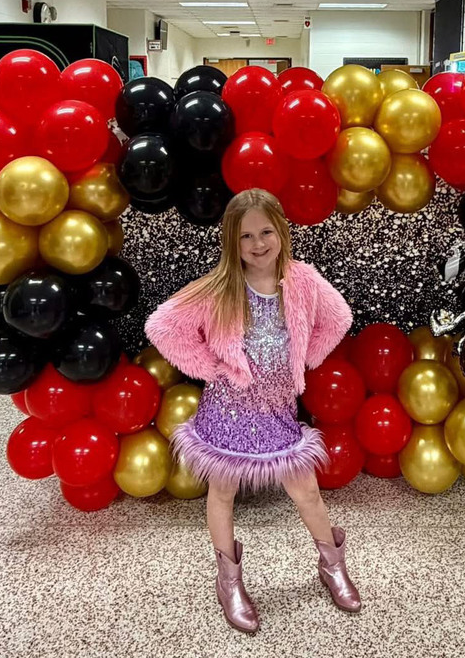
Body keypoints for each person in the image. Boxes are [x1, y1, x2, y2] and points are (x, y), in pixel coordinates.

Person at [145, 188, 360, 633]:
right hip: (229, 409)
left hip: (278, 408)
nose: (258, 244)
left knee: (307, 492)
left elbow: (339, 317)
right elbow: (162, 326)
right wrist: (210, 367)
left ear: (281, 230)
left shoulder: (302, 280)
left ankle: (332, 563)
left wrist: (306, 358)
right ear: (232, 242)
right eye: (246, 236)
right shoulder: (220, 288)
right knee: (222, 493)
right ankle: (229, 580)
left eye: (266, 232)